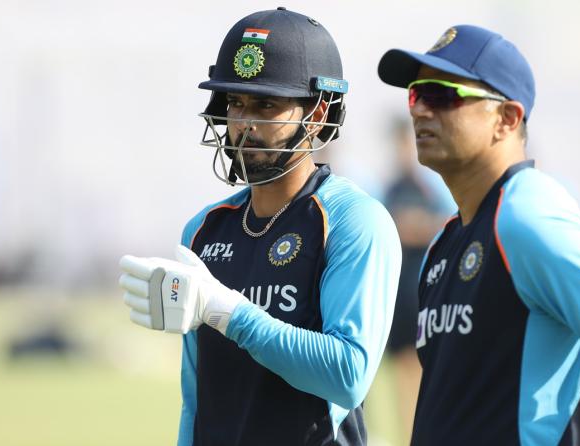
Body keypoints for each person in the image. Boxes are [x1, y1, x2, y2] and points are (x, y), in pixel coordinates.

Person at [119, 8, 401, 446]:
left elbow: (347, 374)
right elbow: (196, 399)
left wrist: (227, 312)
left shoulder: (352, 219)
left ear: (318, 110)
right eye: (235, 102)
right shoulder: (203, 231)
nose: (245, 124)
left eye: (267, 104)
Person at [377, 24, 580, 445]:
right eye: (416, 94)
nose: (420, 111)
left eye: (443, 95)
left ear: (507, 118)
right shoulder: (444, 242)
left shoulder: (528, 216)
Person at [380, 118, 452, 443]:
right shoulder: (391, 188)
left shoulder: (430, 187)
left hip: (423, 295)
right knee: (400, 374)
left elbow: (449, 224)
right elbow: (386, 230)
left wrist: (415, 225)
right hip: (399, 297)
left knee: (421, 372)